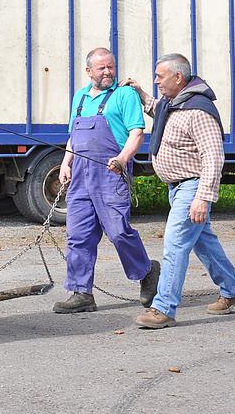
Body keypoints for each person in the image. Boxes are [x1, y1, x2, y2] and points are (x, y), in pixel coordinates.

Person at [122, 53, 235, 328]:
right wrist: (141, 93)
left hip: (192, 187)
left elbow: (213, 156)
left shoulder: (199, 110)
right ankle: (233, 290)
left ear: (178, 78)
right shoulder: (175, 102)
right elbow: (162, 112)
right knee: (204, 243)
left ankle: (163, 308)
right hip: (176, 187)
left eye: (160, 77)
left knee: (175, 243)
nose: (156, 81)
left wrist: (203, 197)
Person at [53, 47, 160, 314]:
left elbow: (137, 133)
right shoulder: (79, 97)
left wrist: (122, 159)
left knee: (118, 231)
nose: (108, 72)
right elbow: (73, 138)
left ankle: (146, 271)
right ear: (88, 71)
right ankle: (81, 293)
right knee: (78, 236)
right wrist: (65, 164)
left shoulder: (124, 94)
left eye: (111, 67)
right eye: (101, 68)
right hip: (79, 176)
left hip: (111, 174)